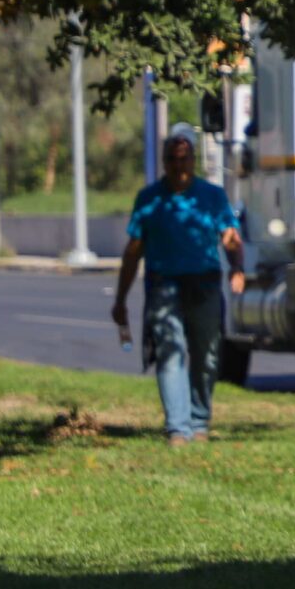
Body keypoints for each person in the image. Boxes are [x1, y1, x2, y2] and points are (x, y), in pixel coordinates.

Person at [112, 124, 244, 446]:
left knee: (207, 356)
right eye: (172, 159)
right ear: (164, 161)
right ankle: (177, 428)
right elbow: (133, 253)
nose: (178, 166)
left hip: (205, 285)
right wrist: (120, 299)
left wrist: (236, 267)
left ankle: (199, 422)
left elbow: (231, 237)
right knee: (170, 353)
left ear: (193, 161)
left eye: (184, 159)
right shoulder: (149, 199)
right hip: (164, 287)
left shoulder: (212, 196)